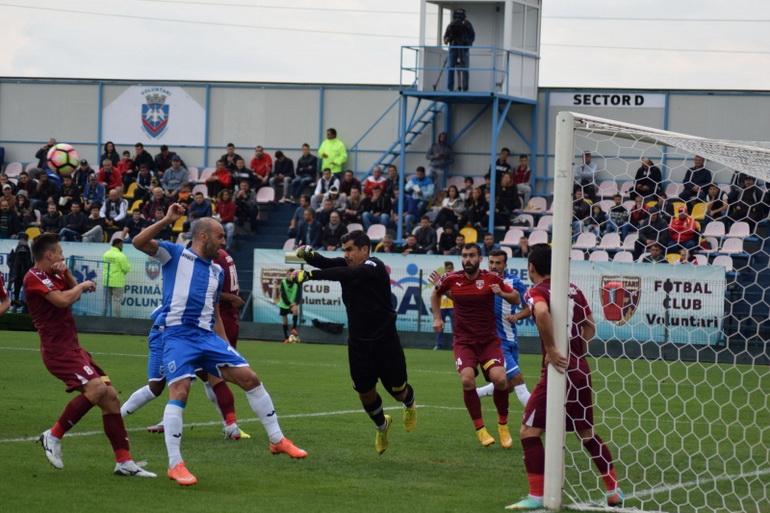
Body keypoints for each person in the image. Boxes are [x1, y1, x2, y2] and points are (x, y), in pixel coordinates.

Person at [132, 207, 307, 485]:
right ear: (203, 236)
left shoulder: (216, 271)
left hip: (207, 337)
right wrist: (167, 220)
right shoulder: (175, 254)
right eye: (220, 237)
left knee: (250, 378)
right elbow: (138, 243)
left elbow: (213, 313)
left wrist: (226, 346)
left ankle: (277, 440)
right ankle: (175, 464)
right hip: (177, 335)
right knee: (180, 390)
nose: (224, 242)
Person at [23, 233, 156, 477]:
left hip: (74, 348)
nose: (63, 256)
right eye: (60, 252)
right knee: (96, 389)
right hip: (57, 350)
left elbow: (74, 291)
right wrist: (82, 284)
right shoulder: (33, 277)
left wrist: (68, 274)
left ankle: (124, 462)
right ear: (49, 254)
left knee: (111, 398)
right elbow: (63, 300)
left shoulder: (54, 274)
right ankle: (52, 436)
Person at [506, 243, 623, 510]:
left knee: (528, 432)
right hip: (580, 369)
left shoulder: (536, 291)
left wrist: (552, 349)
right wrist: (575, 349)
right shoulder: (574, 290)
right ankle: (614, 490)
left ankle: (537, 496)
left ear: (531, 267)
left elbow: (542, 312)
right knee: (587, 434)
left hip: (558, 371)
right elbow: (590, 326)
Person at [291, 231, 417, 454]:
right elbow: (327, 263)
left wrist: (310, 276)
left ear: (365, 249)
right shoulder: (347, 264)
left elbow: (341, 272)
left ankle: (409, 404)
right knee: (365, 392)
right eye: (344, 250)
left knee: (398, 392)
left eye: (350, 249)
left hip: (386, 344)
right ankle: (382, 426)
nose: (346, 255)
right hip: (358, 344)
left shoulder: (374, 266)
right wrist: (309, 256)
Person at [431, 243, 517, 447]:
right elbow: (435, 293)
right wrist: (437, 318)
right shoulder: (452, 279)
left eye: (471, 256)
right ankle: (480, 430)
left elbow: (516, 297)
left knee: (501, 380)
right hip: (464, 342)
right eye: (464, 256)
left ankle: (503, 425)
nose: (467, 259)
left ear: (480, 259)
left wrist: (502, 293)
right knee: (467, 381)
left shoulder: (491, 278)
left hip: (488, 341)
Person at [474, 249, 531, 406]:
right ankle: (541, 415)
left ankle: (476, 393)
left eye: (498, 263)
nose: (494, 266)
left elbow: (528, 309)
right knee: (518, 378)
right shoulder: (480, 280)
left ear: (505, 265)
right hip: (494, 342)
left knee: (509, 385)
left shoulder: (515, 283)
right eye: (491, 262)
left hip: (511, 338)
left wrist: (517, 316)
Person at [443, 8, 475, 91]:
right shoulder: (452, 25)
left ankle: (465, 87)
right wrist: (447, 39)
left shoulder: (467, 24)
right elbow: (446, 37)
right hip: (454, 47)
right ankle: (450, 88)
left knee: (464, 68)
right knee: (451, 67)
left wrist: (468, 43)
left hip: (463, 48)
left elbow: (472, 35)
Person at [102, 238, 131, 317]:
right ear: (116, 245)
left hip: (106, 280)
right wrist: (123, 272)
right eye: (121, 245)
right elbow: (126, 268)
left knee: (105, 301)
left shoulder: (106, 254)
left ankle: (102, 317)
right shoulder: (121, 256)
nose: (122, 247)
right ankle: (117, 319)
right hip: (117, 281)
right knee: (117, 301)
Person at [432, 261, 455, 350]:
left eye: (450, 268)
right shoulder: (441, 280)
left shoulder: (455, 279)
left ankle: (455, 345)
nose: (448, 270)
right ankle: (438, 344)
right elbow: (436, 292)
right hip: (442, 306)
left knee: (455, 327)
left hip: (452, 306)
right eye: (447, 268)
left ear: (452, 269)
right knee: (439, 326)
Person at [7, 232, 33, 312]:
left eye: (24, 239)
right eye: (21, 239)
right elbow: (10, 260)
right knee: (16, 290)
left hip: (26, 273)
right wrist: (13, 267)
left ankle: (27, 307)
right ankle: (15, 305)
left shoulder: (30, 249)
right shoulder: (14, 248)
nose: (22, 241)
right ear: (18, 240)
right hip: (17, 273)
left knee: (28, 291)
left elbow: (32, 261)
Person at [277, 268, 303, 343]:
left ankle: (293, 328)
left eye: (292, 275)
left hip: (292, 304)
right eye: (289, 274)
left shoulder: (297, 283)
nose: (290, 276)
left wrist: (296, 303)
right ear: (286, 275)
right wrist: (289, 303)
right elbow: (283, 295)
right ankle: (286, 338)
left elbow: (299, 294)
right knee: (285, 321)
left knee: (295, 310)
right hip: (284, 303)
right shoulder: (283, 282)